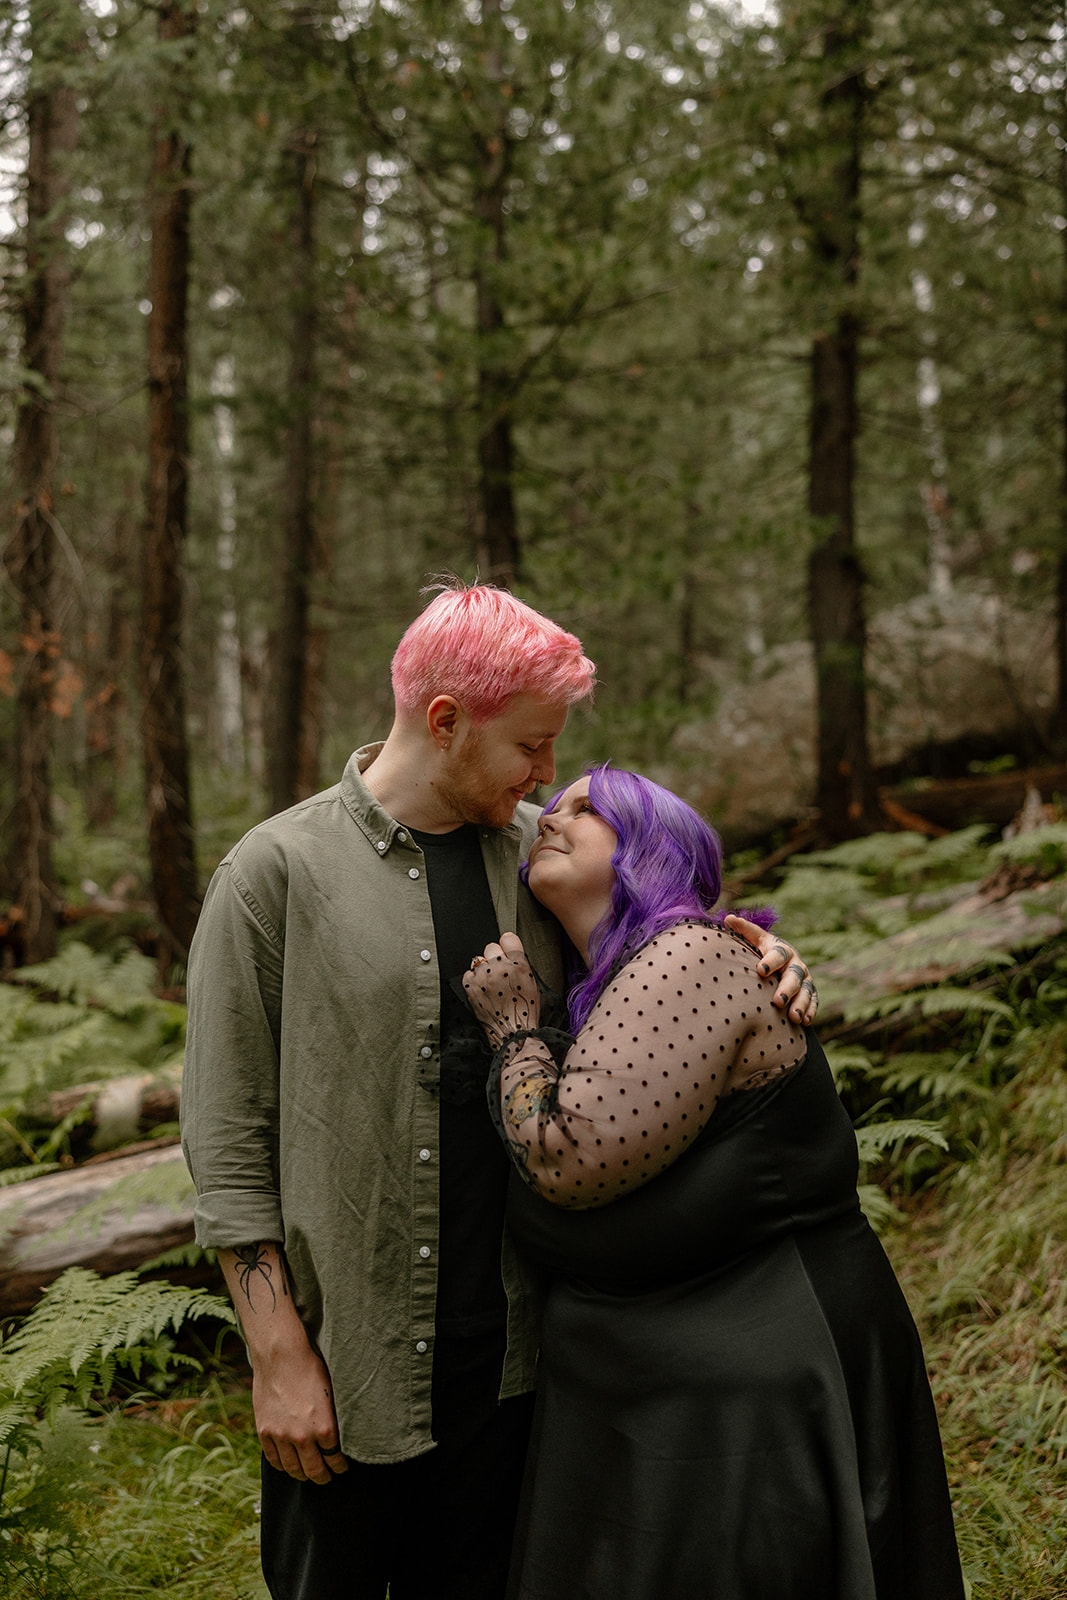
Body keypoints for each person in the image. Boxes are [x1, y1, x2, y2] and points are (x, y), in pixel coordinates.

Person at [180, 584, 819, 1600]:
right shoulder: (274, 873)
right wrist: (277, 1357)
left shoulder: (545, 859)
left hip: (526, 1377)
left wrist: (759, 948)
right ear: (445, 722)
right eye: (530, 744)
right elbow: (225, 1141)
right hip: (349, 1380)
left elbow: (662, 956)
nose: (546, 771)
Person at [463, 764, 966, 1600]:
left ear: (650, 853)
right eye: (549, 807)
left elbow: (567, 1157)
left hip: (766, 1382)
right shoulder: (638, 973)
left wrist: (515, 1034)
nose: (552, 817)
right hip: (685, 1388)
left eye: (589, 810)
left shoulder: (688, 952)